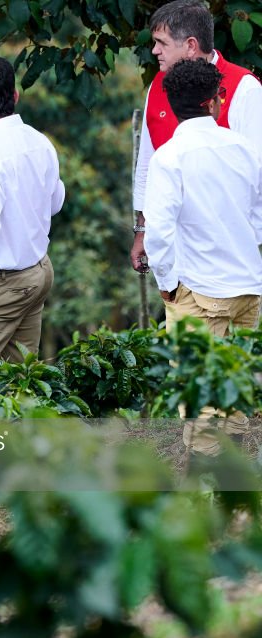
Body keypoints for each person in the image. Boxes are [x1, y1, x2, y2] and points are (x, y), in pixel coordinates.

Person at [143, 58, 262, 456]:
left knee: (200, 395)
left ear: (173, 104)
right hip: (248, 286)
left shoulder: (169, 157)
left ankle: (203, 488)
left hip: (200, 288)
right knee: (236, 384)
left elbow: (159, 232)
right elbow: (258, 215)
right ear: (215, 100)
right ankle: (234, 489)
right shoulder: (244, 149)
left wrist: (166, 285)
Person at [130, 0, 262, 272]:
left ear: (191, 45)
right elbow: (147, 163)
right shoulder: (158, 84)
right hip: (174, 249)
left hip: (228, 255)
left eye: (161, 43)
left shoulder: (244, 88)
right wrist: (143, 228)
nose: (154, 50)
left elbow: (257, 176)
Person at [0, 56, 65, 364]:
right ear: (16, 96)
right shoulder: (39, 141)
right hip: (38, 271)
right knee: (18, 380)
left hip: (5, 283)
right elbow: (56, 201)